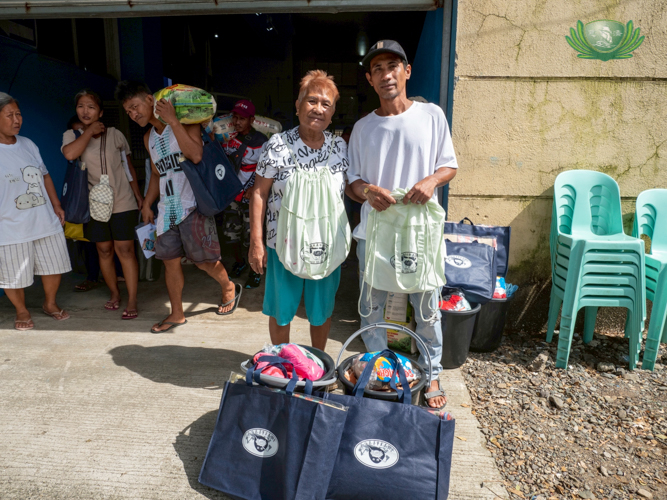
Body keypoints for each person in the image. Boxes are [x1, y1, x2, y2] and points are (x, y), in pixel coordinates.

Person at [348, 40, 459, 410]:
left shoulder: (431, 116)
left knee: (426, 306)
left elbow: (449, 164)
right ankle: (381, 369)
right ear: (369, 79)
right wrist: (366, 190)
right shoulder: (363, 128)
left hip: (419, 231)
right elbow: (352, 182)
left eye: (392, 65)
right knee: (370, 307)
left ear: (406, 71)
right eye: (377, 69)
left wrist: (432, 181)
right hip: (376, 230)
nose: (386, 74)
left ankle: (431, 372)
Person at [115, 80, 241, 333]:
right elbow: (155, 172)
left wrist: (173, 120)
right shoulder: (148, 137)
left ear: (151, 100)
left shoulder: (185, 124)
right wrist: (148, 203)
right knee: (169, 261)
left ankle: (228, 286)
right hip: (167, 210)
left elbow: (195, 155)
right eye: (128, 111)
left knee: (203, 261)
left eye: (135, 106)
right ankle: (177, 314)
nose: (133, 114)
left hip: (192, 205)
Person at [248, 70, 348, 351]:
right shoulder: (277, 145)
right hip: (283, 244)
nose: (318, 109)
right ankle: (283, 362)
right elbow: (259, 193)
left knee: (321, 311)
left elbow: (350, 189)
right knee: (282, 310)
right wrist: (256, 242)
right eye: (312, 101)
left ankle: (319, 364)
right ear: (298, 104)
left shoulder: (339, 147)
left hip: (325, 244)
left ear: (333, 112)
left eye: (326, 104)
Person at [61, 90, 143, 320]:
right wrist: (88, 133)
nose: (85, 111)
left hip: (123, 200)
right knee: (104, 250)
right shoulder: (71, 135)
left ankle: (133, 298)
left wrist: (138, 196)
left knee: (125, 250)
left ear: (101, 112)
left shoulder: (116, 134)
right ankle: (115, 294)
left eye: (91, 107)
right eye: (81, 106)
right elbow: (70, 154)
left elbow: (128, 168)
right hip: (94, 203)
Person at [0, 92, 72, 330]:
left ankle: (50, 303)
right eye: (9, 115)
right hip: (9, 224)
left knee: (54, 263)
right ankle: (21, 310)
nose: (17, 119)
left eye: (18, 114)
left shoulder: (28, 143)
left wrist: (56, 204)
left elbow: (44, 175)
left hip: (43, 218)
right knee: (12, 273)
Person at [217, 99, 268, 289]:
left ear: (252, 120)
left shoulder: (261, 141)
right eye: (235, 118)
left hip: (250, 197)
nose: (238, 122)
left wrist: (253, 189)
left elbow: (265, 170)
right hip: (232, 195)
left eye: (242, 119)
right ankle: (240, 263)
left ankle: (256, 272)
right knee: (231, 235)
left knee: (252, 237)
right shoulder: (228, 137)